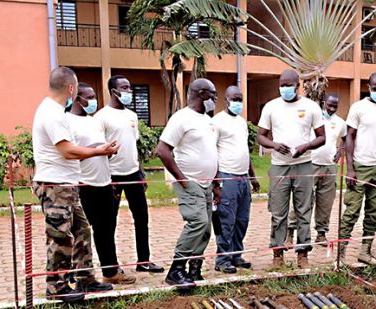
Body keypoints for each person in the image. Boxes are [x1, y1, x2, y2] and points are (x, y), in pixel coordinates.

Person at [31, 67, 117, 302]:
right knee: (60, 235)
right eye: (77, 87)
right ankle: (57, 287)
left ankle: (84, 278)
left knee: (82, 230)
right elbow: (67, 151)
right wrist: (98, 151)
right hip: (55, 185)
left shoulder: (55, 111)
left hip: (66, 184)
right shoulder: (52, 113)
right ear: (71, 88)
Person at [67, 82, 136, 285]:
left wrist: (108, 151)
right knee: (79, 231)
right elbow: (68, 154)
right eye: (89, 97)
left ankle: (110, 270)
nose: (93, 101)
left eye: (94, 96)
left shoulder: (94, 121)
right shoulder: (67, 122)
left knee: (106, 229)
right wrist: (97, 151)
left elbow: (98, 149)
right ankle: (74, 273)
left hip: (104, 181)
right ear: (77, 98)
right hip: (83, 183)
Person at [95, 75, 163, 275]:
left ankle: (144, 261)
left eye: (129, 88)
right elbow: (99, 150)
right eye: (124, 88)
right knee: (109, 222)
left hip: (133, 174)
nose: (129, 91)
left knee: (142, 218)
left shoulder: (132, 115)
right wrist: (106, 179)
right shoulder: (101, 117)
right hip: (112, 177)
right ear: (113, 91)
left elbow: (134, 146)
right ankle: (112, 265)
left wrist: (141, 172)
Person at [257, 69, 325, 269]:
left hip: (303, 165)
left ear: (298, 86)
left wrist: (306, 146)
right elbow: (260, 136)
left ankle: (302, 254)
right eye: (282, 85)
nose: (285, 88)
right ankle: (277, 255)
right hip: (279, 166)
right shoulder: (271, 107)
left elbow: (322, 137)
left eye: (289, 85)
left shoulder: (311, 107)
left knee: (304, 211)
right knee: (278, 212)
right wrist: (274, 145)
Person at [156, 79, 221, 289]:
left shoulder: (208, 120)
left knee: (206, 228)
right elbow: (162, 150)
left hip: (208, 184)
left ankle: (194, 269)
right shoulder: (181, 118)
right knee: (197, 222)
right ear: (201, 93)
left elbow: (211, 153)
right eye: (213, 94)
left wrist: (216, 184)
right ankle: (176, 270)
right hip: (190, 182)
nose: (215, 98)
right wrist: (182, 180)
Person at [340, 72, 376, 265]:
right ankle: (341, 252)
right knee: (351, 212)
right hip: (360, 166)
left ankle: (365, 251)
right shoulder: (358, 108)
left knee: (374, 212)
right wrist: (350, 168)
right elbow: (350, 137)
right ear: (369, 87)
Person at [287, 93, 347, 247]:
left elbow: (346, 139)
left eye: (335, 106)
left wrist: (340, 152)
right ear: (324, 103)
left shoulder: (340, 122)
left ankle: (321, 234)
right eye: (330, 105)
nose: (332, 109)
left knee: (326, 202)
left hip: (329, 166)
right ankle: (290, 232)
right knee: (302, 199)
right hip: (310, 164)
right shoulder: (313, 118)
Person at [212, 85, 261, 274]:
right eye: (235, 99)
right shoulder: (217, 122)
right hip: (227, 176)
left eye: (240, 99)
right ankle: (222, 259)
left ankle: (235, 255)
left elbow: (244, 151)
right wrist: (216, 182)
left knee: (242, 220)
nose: (238, 103)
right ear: (226, 100)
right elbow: (212, 152)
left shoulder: (241, 122)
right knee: (226, 220)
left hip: (243, 178)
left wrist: (252, 177)